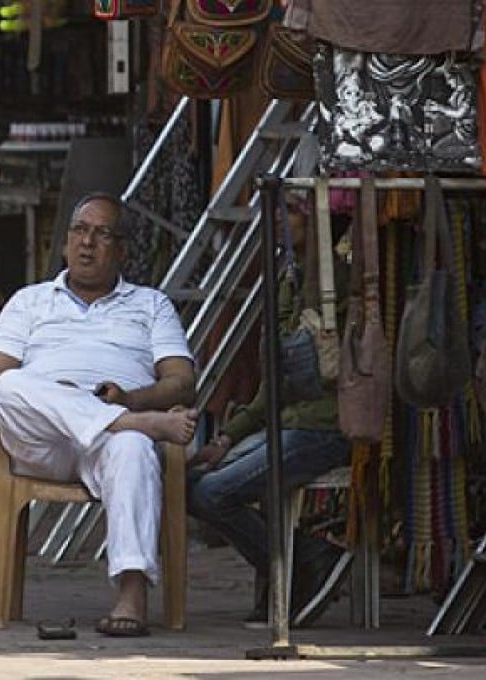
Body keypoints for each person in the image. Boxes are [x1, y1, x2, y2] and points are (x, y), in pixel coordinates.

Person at [0, 192, 198, 637]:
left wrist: (129, 402)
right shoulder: (30, 301)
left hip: (111, 439)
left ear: (122, 250)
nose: (87, 243)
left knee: (133, 446)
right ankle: (127, 424)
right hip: (43, 441)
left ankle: (131, 593)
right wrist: (120, 414)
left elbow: (182, 381)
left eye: (102, 233)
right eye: (79, 230)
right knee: (7, 385)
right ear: (64, 243)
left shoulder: (151, 304)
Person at [187, 193, 352, 629]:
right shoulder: (289, 281)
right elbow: (271, 390)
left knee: (213, 493)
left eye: (295, 211)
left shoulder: (341, 282)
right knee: (190, 482)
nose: (282, 220)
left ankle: (301, 564)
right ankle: (301, 561)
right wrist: (226, 438)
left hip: (325, 429)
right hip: (288, 426)